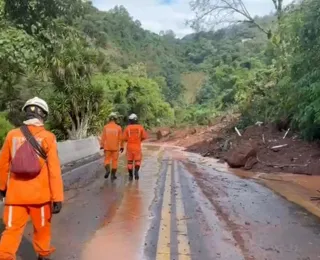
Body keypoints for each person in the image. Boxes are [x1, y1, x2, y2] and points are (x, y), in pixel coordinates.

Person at [0, 97, 64, 260]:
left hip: (15, 197)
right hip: (40, 198)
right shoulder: (48, 137)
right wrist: (57, 197)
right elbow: (54, 170)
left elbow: (3, 164)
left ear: (26, 112)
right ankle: (43, 255)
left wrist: (1, 188)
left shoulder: (12, 135)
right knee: (42, 230)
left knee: (11, 231)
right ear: (44, 115)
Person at [100, 112, 124, 181]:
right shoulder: (118, 128)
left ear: (109, 119)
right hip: (115, 148)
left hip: (107, 147)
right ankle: (113, 175)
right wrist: (122, 146)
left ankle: (107, 170)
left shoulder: (105, 127)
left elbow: (103, 137)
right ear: (116, 119)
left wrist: (102, 145)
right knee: (114, 161)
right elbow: (121, 139)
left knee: (107, 160)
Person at [123, 114, 147, 181]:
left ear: (130, 120)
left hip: (129, 147)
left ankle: (130, 175)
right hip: (137, 147)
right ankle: (136, 172)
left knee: (130, 162)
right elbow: (144, 137)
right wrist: (139, 140)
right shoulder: (140, 127)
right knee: (137, 161)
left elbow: (124, 138)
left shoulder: (127, 128)